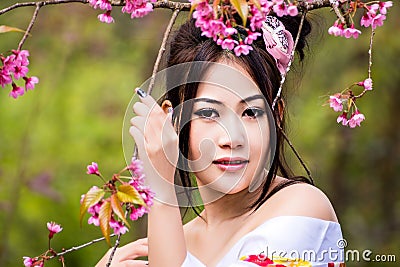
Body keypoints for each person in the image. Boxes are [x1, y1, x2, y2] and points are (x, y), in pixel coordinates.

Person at [96, 14, 345, 267]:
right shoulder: (174, 240)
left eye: (251, 113)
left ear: (275, 118)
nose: (232, 138)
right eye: (208, 113)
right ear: (171, 121)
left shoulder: (301, 209)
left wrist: (162, 195)